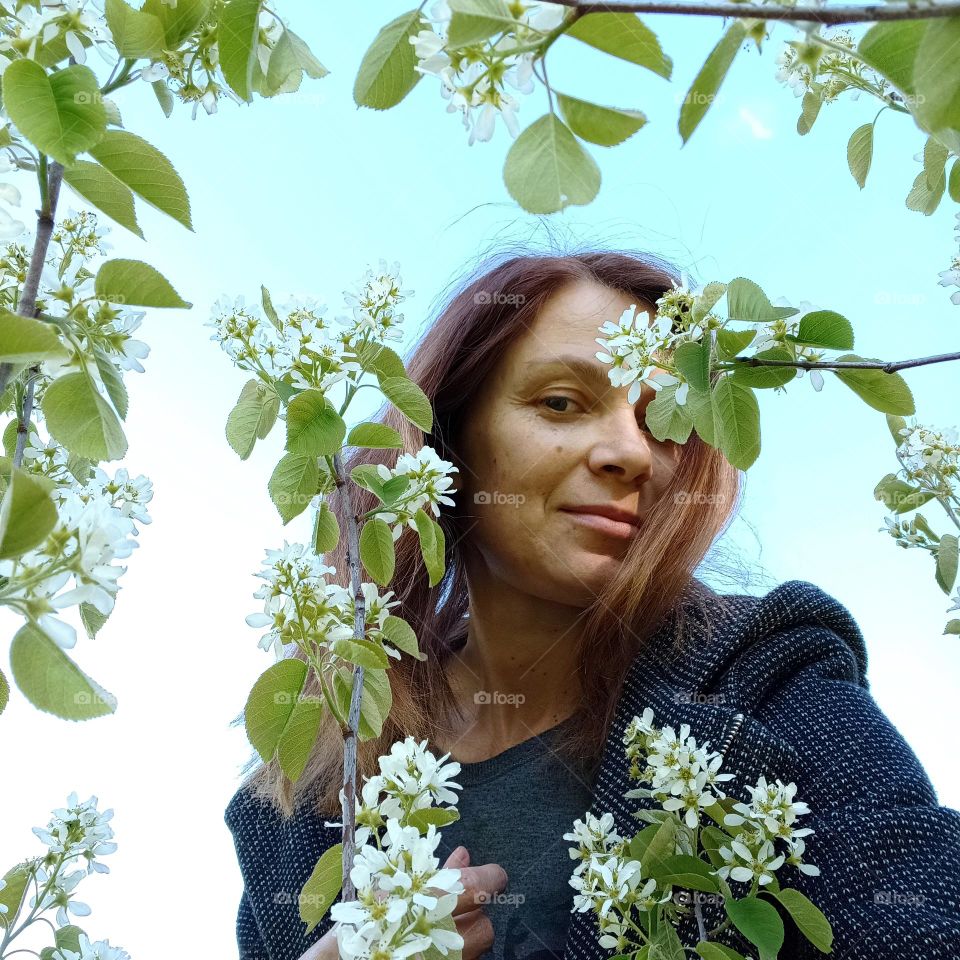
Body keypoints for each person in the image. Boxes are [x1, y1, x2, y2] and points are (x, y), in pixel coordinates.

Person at [225, 249, 960, 960]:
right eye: (562, 403)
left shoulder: (763, 674)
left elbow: (922, 914)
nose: (632, 454)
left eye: (662, 421)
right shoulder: (299, 795)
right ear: (446, 443)